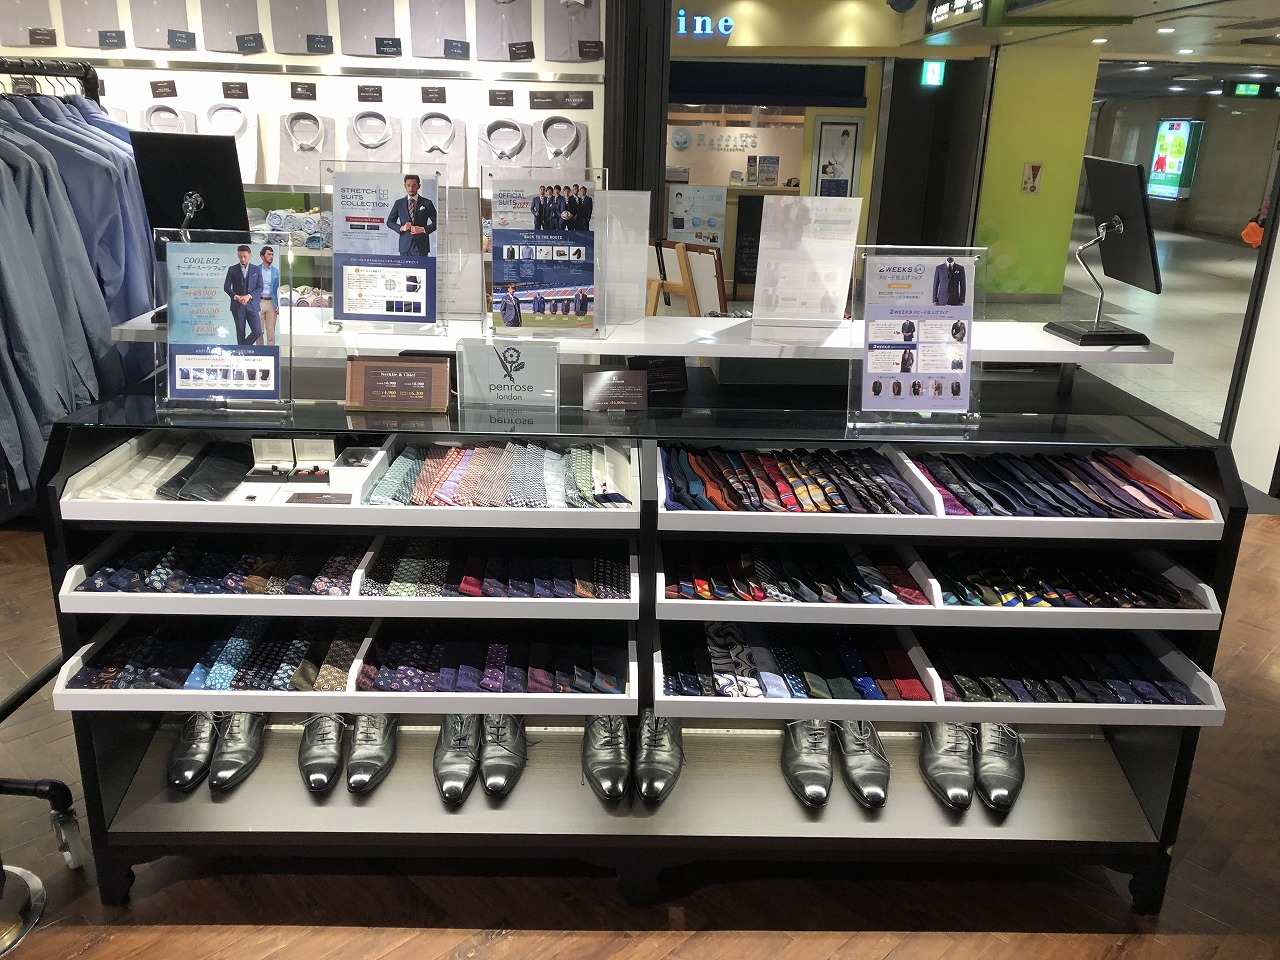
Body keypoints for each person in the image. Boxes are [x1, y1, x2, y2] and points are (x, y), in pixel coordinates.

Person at [385, 174, 437, 257]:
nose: (411, 189)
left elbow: (437, 222)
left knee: (421, 266)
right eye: (408, 185)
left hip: (421, 246)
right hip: (404, 246)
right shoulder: (399, 203)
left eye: (414, 186)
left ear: (419, 186)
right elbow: (389, 222)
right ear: (404, 186)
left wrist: (423, 229)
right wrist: (401, 228)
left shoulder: (427, 203)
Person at [223, 244, 263, 345]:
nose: (243, 259)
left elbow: (260, 287)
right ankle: (242, 352)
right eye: (240, 256)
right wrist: (236, 297)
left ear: (250, 255)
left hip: (252, 304)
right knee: (240, 333)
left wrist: (248, 296)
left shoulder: (256, 269)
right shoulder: (232, 269)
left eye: (245, 256)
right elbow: (226, 287)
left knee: (257, 331)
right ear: (238, 255)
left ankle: (242, 348)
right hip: (237, 305)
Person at [258, 245, 279, 346]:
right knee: (258, 331)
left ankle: (271, 352)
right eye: (269, 254)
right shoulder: (256, 270)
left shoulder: (276, 271)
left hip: (271, 302)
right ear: (262, 257)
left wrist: (278, 304)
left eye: (272, 255)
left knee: (271, 331)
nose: (271, 256)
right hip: (258, 302)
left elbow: (279, 288)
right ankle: (259, 352)